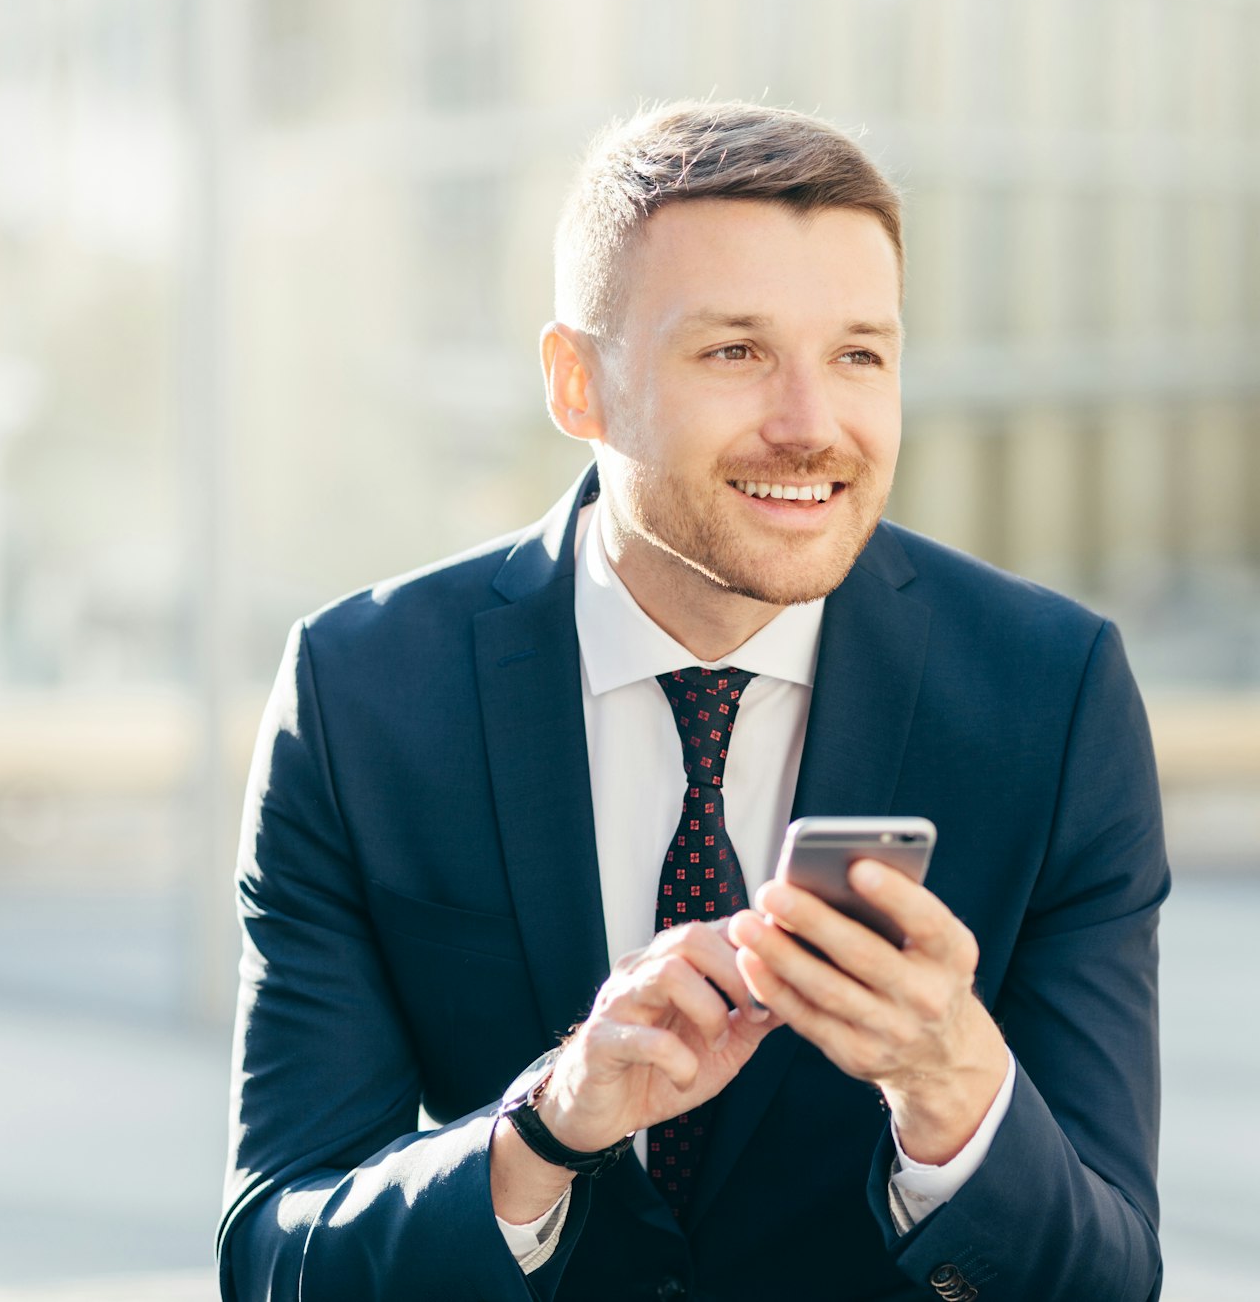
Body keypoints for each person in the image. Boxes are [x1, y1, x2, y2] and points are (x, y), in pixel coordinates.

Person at [219, 101, 1168, 1302]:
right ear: (579, 382)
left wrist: (957, 1095)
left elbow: (1108, 1280)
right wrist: (545, 1131)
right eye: (734, 351)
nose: (810, 425)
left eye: (858, 354)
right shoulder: (363, 695)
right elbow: (271, 1261)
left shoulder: (1051, 697)